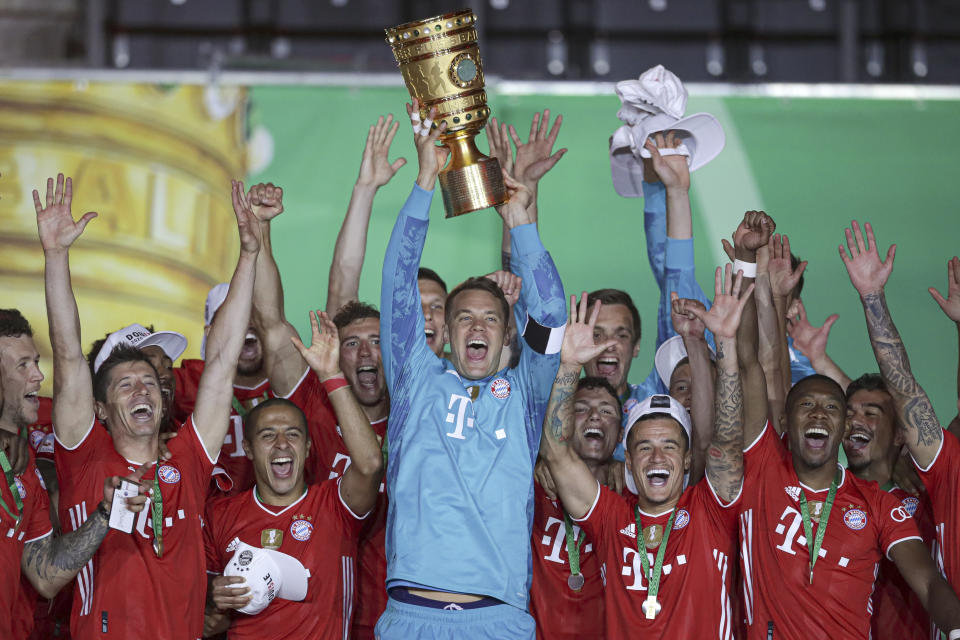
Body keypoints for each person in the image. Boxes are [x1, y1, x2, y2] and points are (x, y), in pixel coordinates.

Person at [374, 99, 566, 639]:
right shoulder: (417, 380)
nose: (476, 327)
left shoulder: (526, 391)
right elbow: (397, 284)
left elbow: (551, 316)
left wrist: (522, 225)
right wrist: (424, 181)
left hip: (496, 619)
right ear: (448, 334)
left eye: (490, 318)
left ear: (507, 336)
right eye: (463, 318)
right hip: (412, 615)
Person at [40, 173, 260, 638]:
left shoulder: (190, 458)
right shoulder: (84, 456)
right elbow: (65, 352)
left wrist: (251, 252)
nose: (142, 390)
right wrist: (56, 256)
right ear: (99, 409)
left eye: (149, 382)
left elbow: (221, 361)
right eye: (124, 385)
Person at [541, 266, 751, 639]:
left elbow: (727, 442)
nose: (656, 458)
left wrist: (728, 346)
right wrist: (570, 365)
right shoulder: (610, 518)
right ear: (628, 462)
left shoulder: (709, 512)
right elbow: (557, 451)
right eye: (644, 448)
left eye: (669, 446)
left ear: (687, 461)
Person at [738, 369, 960, 637]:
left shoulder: (884, 503)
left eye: (831, 407)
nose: (818, 413)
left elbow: (929, 581)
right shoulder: (765, 474)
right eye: (807, 404)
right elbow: (756, 368)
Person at [204, 310, 383, 639]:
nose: (282, 444)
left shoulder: (335, 505)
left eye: (293, 435)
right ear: (248, 448)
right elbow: (201, 607)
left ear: (309, 447)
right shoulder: (220, 514)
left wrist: (330, 374)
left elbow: (370, 464)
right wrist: (213, 599)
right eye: (268, 435)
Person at [840, 221, 960, 625]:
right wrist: (872, 297)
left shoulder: (930, 476)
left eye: (871, 413)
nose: (857, 420)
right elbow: (903, 389)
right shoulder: (950, 469)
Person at [172, 182, 286, 496]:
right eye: (230, 320)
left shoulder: (290, 383)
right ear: (211, 332)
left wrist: (262, 230)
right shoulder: (185, 384)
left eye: (251, 315)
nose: (243, 326)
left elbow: (273, 315)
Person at [529, 377, 623, 640]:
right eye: (580, 408)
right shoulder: (533, 490)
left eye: (606, 411)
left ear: (621, 435)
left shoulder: (634, 501)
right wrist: (539, 458)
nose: (594, 416)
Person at [843, 373, 935, 640]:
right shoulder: (824, 495)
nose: (855, 421)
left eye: (870, 413)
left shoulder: (927, 492)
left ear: (898, 435)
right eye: (848, 414)